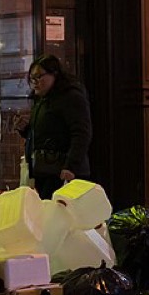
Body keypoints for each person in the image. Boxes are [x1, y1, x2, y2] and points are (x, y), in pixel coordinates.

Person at [23, 54, 92, 200]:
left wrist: (71, 166)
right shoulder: (41, 99)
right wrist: (25, 129)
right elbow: (46, 132)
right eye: (32, 78)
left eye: (39, 77)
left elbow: (81, 133)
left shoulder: (71, 97)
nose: (35, 83)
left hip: (62, 171)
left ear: (54, 74)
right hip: (44, 169)